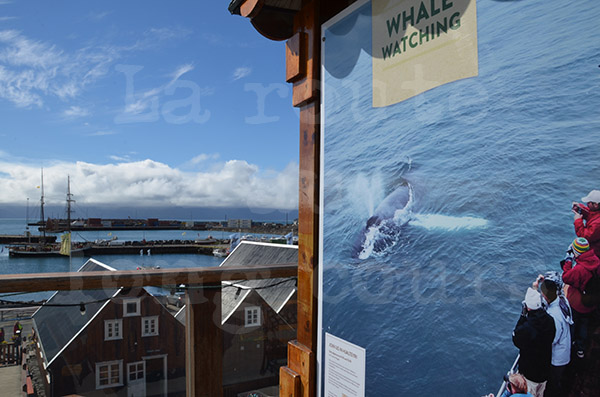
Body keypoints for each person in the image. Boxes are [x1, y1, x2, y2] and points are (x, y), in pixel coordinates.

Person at [512, 286, 555, 397]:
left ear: (527, 307)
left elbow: (516, 338)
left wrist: (522, 316)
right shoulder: (550, 320)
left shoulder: (527, 328)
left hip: (530, 374)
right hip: (545, 370)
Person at [561, 237, 600, 359]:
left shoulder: (580, 269)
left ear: (576, 252)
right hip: (592, 300)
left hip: (578, 303)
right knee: (584, 324)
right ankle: (581, 348)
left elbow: (566, 277)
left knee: (573, 325)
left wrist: (568, 260)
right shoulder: (597, 261)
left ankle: (572, 345)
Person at [537, 274, 571, 397]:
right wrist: (543, 282)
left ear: (546, 296)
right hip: (565, 348)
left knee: (552, 384)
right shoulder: (563, 300)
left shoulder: (553, 316)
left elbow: (552, 339)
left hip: (557, 358)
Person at [572, 190, 600, 258]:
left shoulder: (598, 223)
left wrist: (578, 220)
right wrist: (580, 209)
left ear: (596, 205)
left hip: (596, 253)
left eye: (589, 202)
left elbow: (584, 237)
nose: (587, 203)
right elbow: (592, 215)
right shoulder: (597, 212)